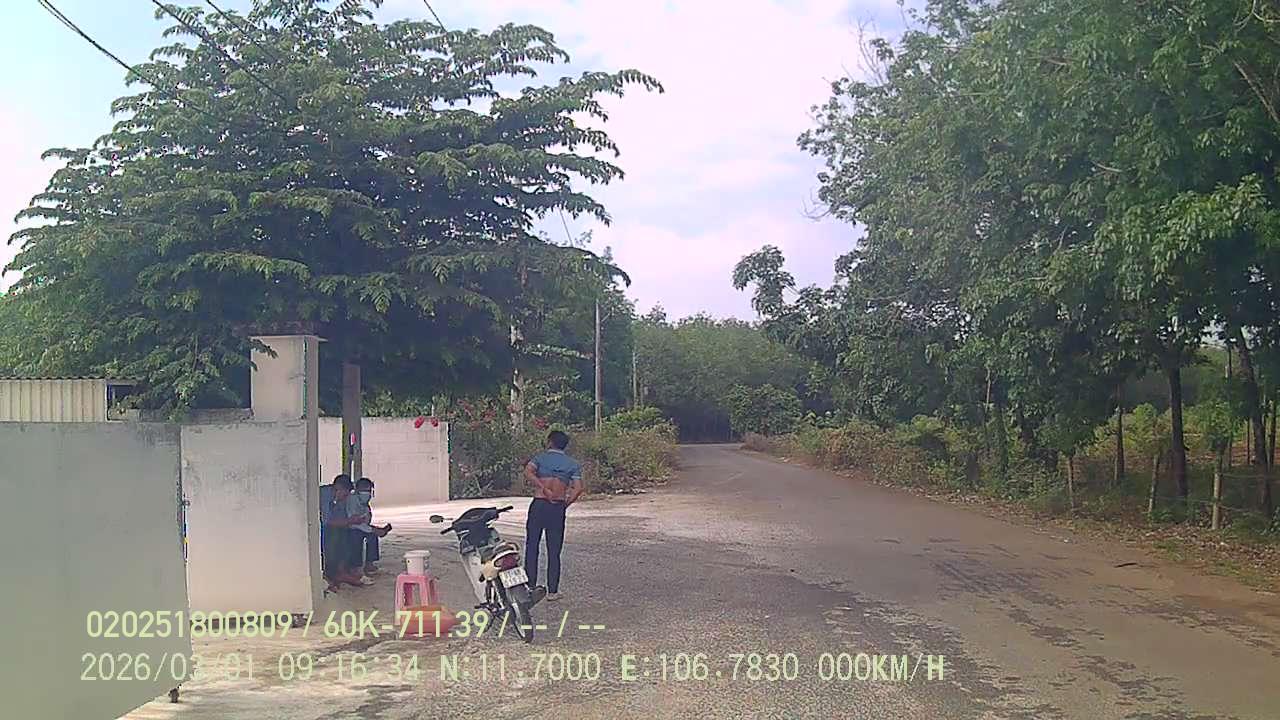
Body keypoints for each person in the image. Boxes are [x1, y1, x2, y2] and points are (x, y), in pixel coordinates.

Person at [523, 430, 584, 601]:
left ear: (550, 442)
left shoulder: (540, 458)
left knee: (532, 546)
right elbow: (578, 488)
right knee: (554, 550)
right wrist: (565, 504)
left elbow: (528, 472)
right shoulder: (572, 464)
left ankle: (529, 586)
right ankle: (553, 591)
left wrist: (542, 487)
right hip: (557, 507)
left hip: (539, 504)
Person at [321, 474, 373, 592]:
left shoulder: (339, 499)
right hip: (317, 528)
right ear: (338, 489)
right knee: (333, 534)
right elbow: (327, 521)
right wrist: (350, 521)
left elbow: (342, 519)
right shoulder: (324, 495)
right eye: (344, 495)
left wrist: (352, 521)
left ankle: (343, 570)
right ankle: (333, 573)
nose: (345, 499)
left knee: (348, 533)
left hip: (332, 526)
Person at [347, 477, 392, 578]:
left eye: (368, 491)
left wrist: (376, 530)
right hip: (351, 528)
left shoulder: (365, 504)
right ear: (357, 490)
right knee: (356, 538)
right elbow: (354, 522)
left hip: (361, 527)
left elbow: (365, 522)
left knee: (372, 537)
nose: (367, 493)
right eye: (364, 490)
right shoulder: (352, 500)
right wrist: (374, 530)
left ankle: (369, 564)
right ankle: (355, 567)